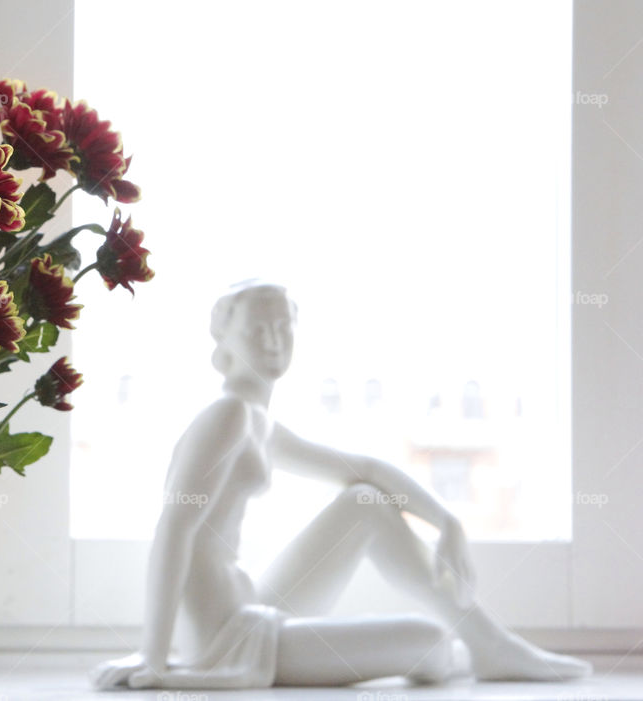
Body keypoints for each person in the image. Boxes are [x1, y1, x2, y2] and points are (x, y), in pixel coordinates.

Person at [92, 282, 591, 690]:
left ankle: (488, 644)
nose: (273, 341)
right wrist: (152, 657)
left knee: (365, 503)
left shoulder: (257, 419)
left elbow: (363, 469)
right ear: (225, 342)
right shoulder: (227, 416)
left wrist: (447, 520)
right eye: (256, 330)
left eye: (283, 327)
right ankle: (471, 649)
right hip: (225, 640)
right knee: (430, 642)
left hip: (252, 610)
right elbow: (173, 528)